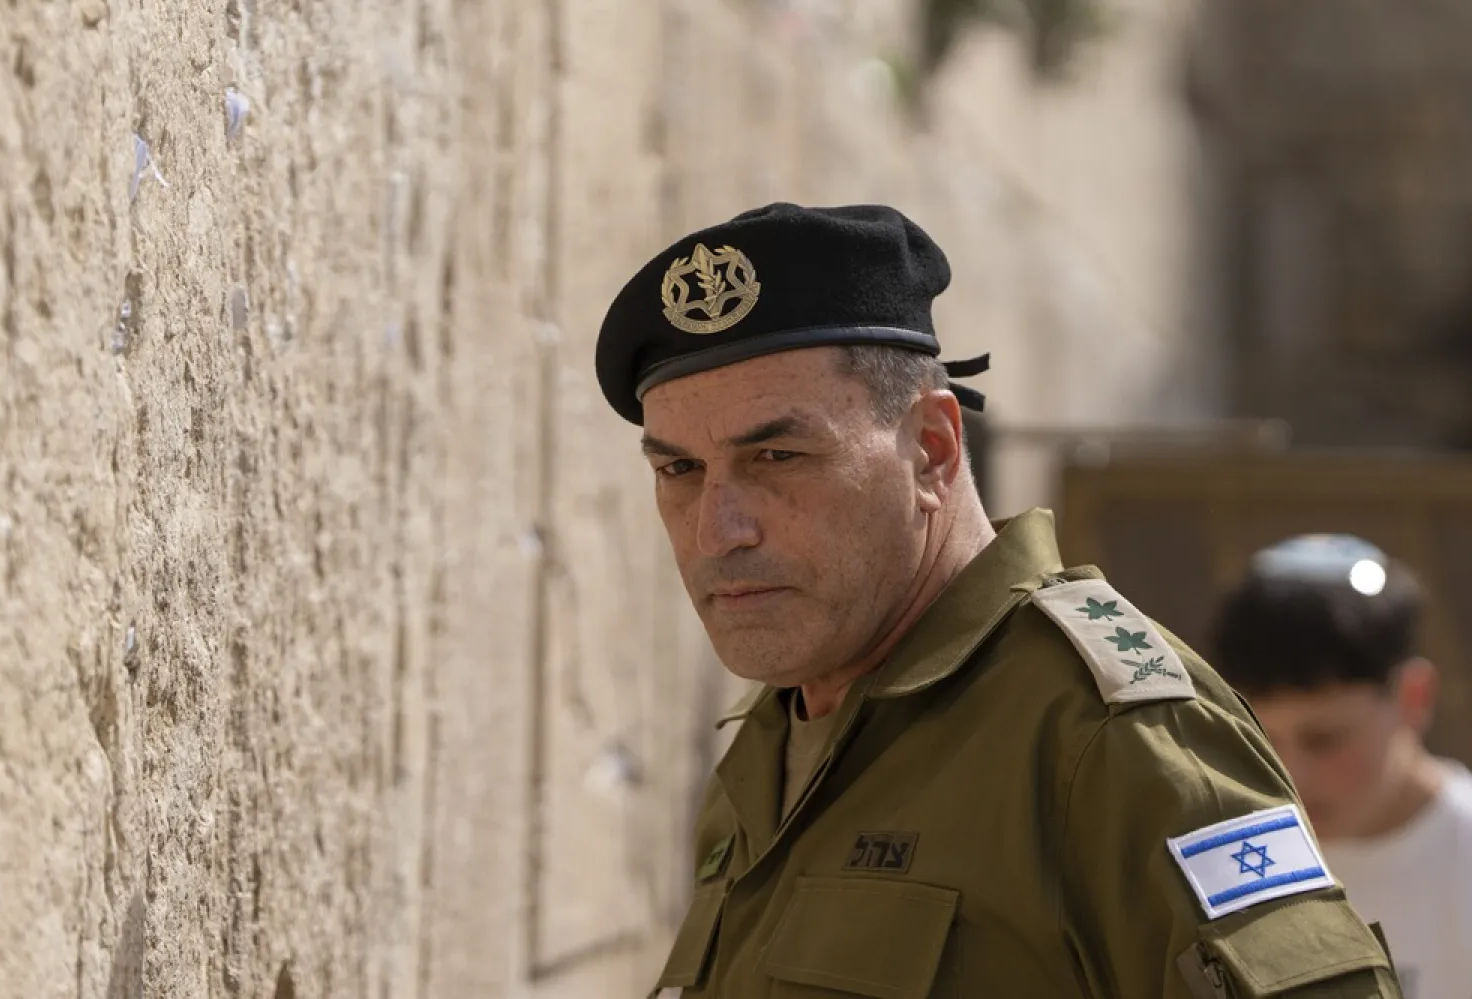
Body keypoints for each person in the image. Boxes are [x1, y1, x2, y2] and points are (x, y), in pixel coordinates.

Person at [594, 202, 1402, 998]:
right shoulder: (773, 740)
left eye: (778, 454)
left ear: (932, 450)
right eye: (679, 471)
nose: (716, 530)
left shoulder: (1106, 737)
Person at [1213, 535, 1472, 999]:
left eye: (1324, 739)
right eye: (1259, 740)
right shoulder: (1213, 860)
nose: (1289, 774)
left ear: (1413, 697)